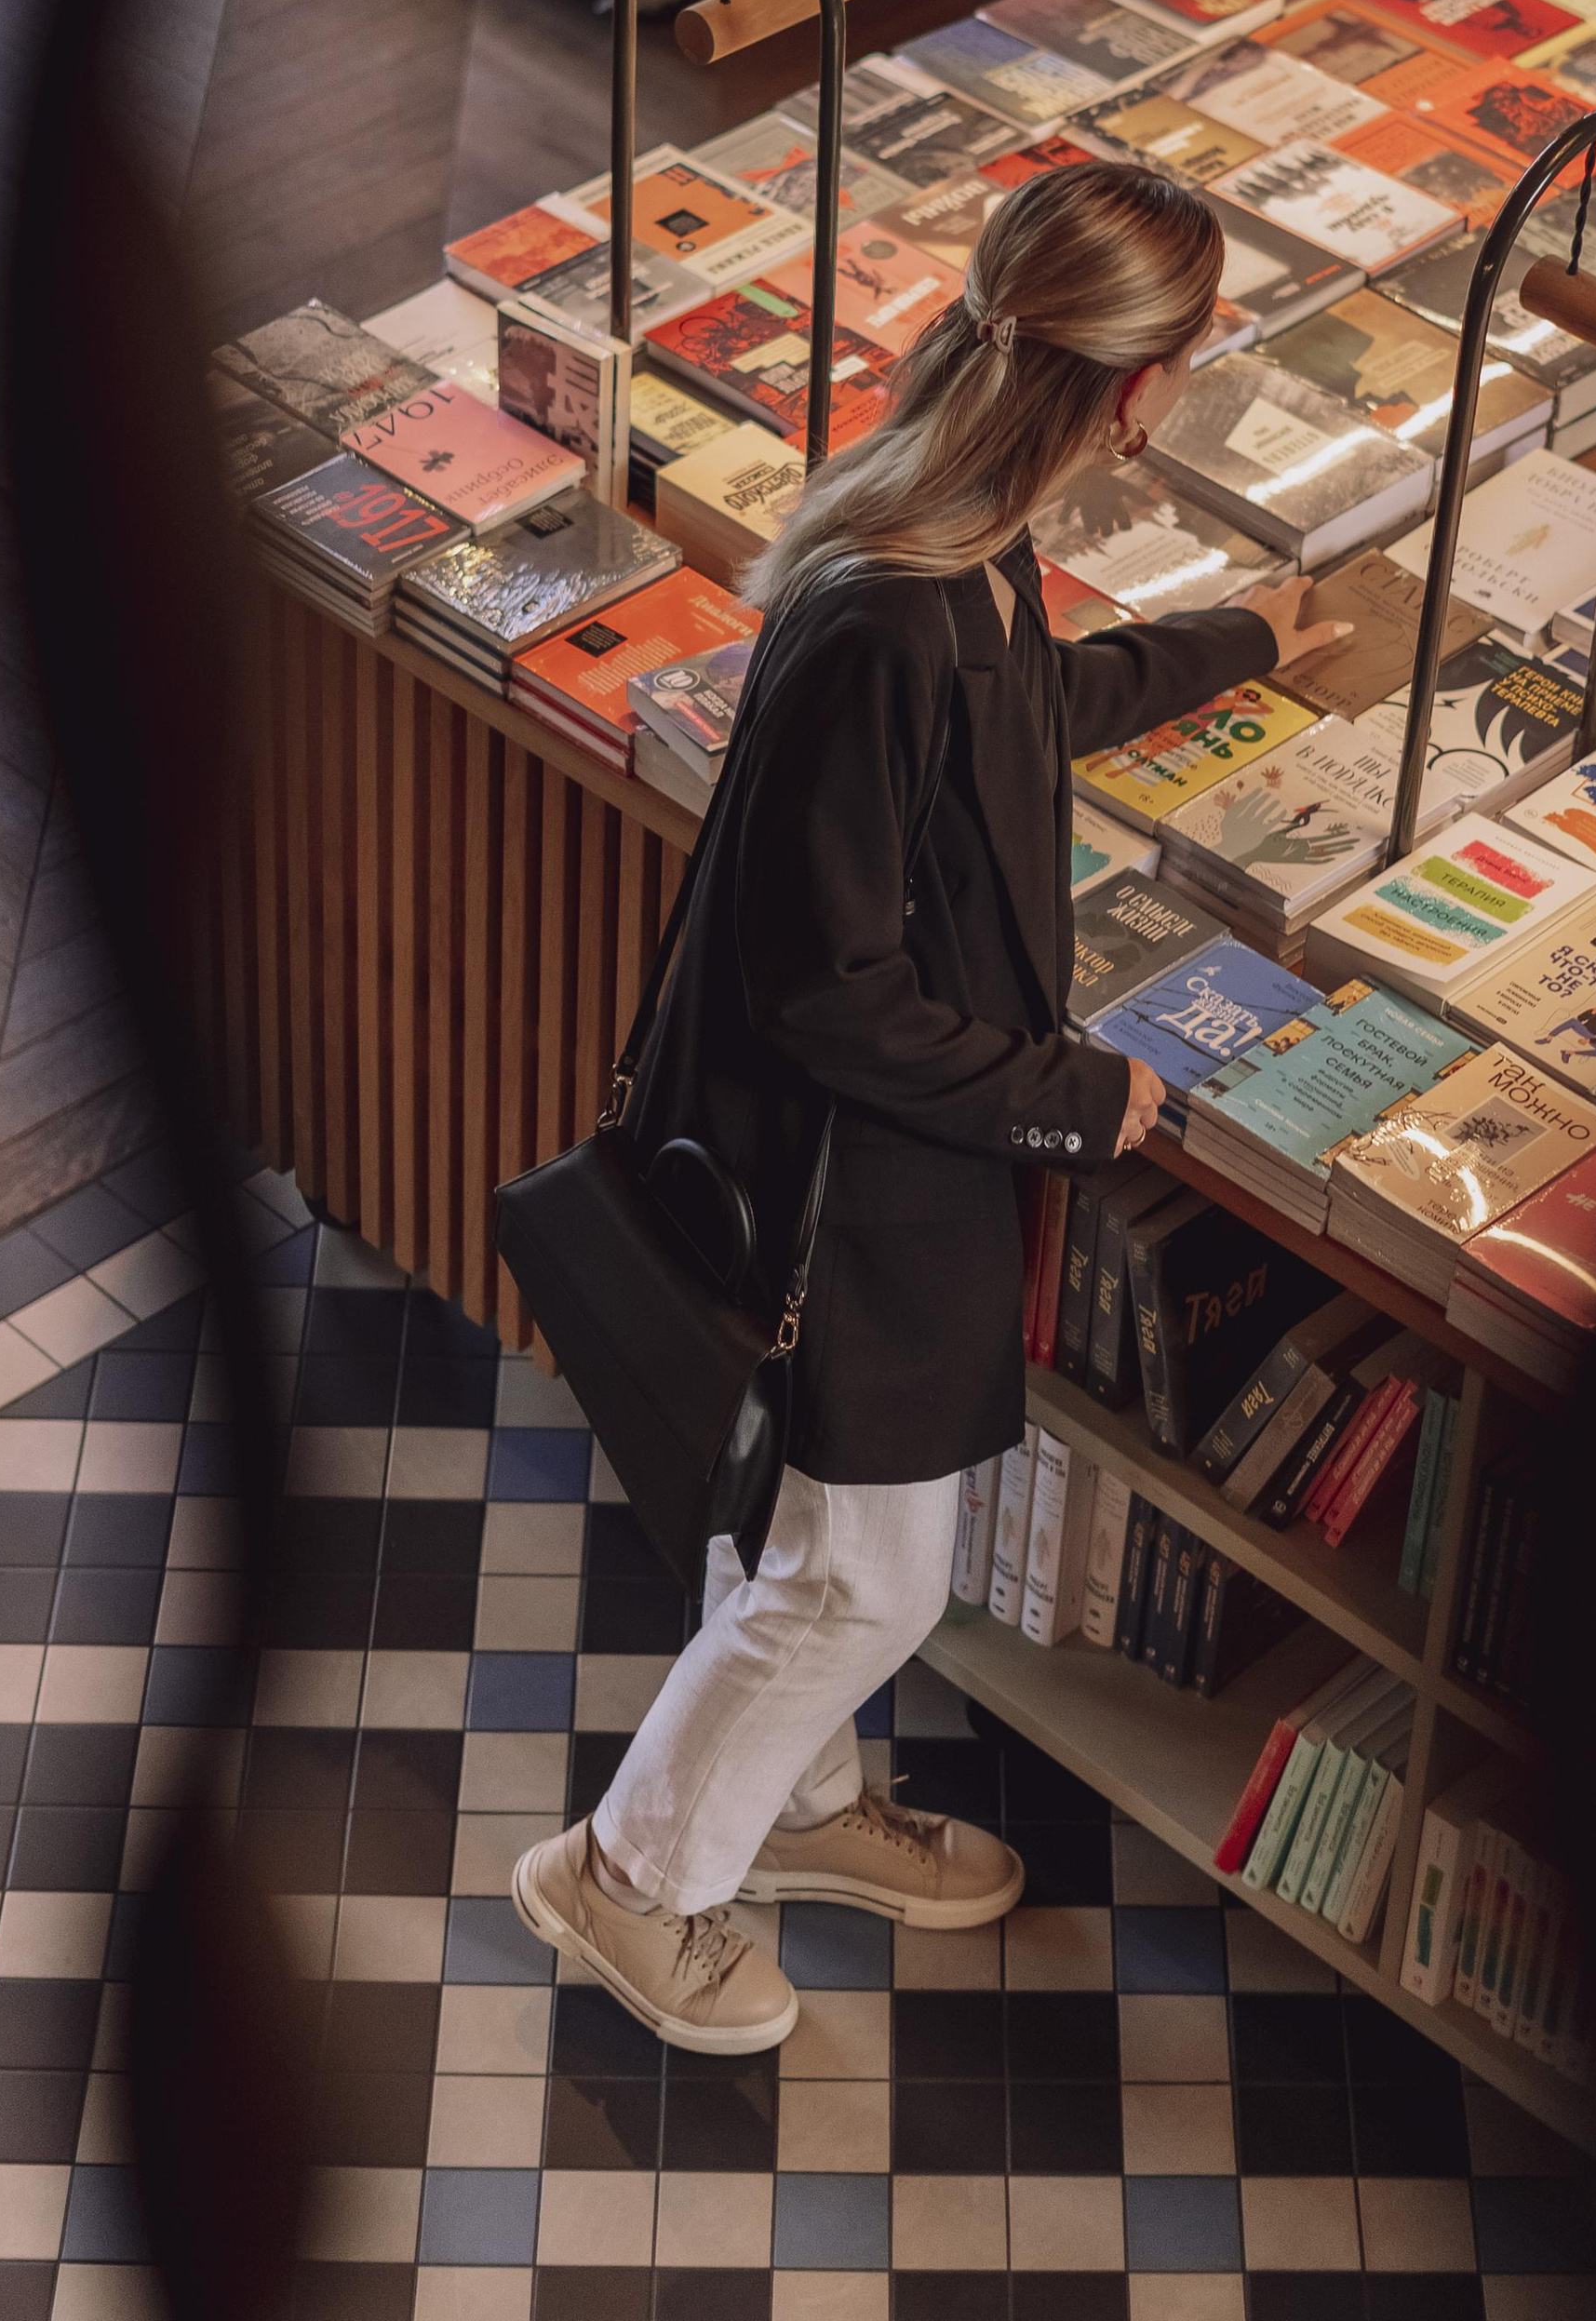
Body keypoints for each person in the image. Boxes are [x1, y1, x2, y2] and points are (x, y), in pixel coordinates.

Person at [512, 163, 1347, 2052]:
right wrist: (1073, 1099)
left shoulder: (955, 539)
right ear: (1133, 385)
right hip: (848, 1194)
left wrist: (1244, 640)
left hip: (872, 1178)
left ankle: (794, 1806)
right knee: (862, 1584)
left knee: (801, 1545)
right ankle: (630, 1881)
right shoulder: (906, 601)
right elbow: (827, 994)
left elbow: (1017, 716)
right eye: (1194, 347)